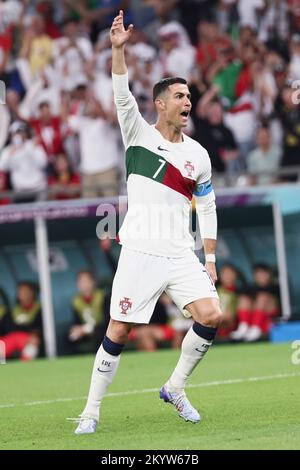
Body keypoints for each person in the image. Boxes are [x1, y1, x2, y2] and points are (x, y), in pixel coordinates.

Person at [74, 10, 222, 435]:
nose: (187, 102)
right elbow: (121, 94)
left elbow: (208, 206)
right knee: (118, 329)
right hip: (140, 249)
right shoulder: (137, 133)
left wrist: (209, 257)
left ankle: (174, 387)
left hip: (180, 251)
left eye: (189, 96)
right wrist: (118, 51)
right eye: (179, 96)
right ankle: (91, 411)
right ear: (160, 104)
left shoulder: (198, 155)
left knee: (211, 314)